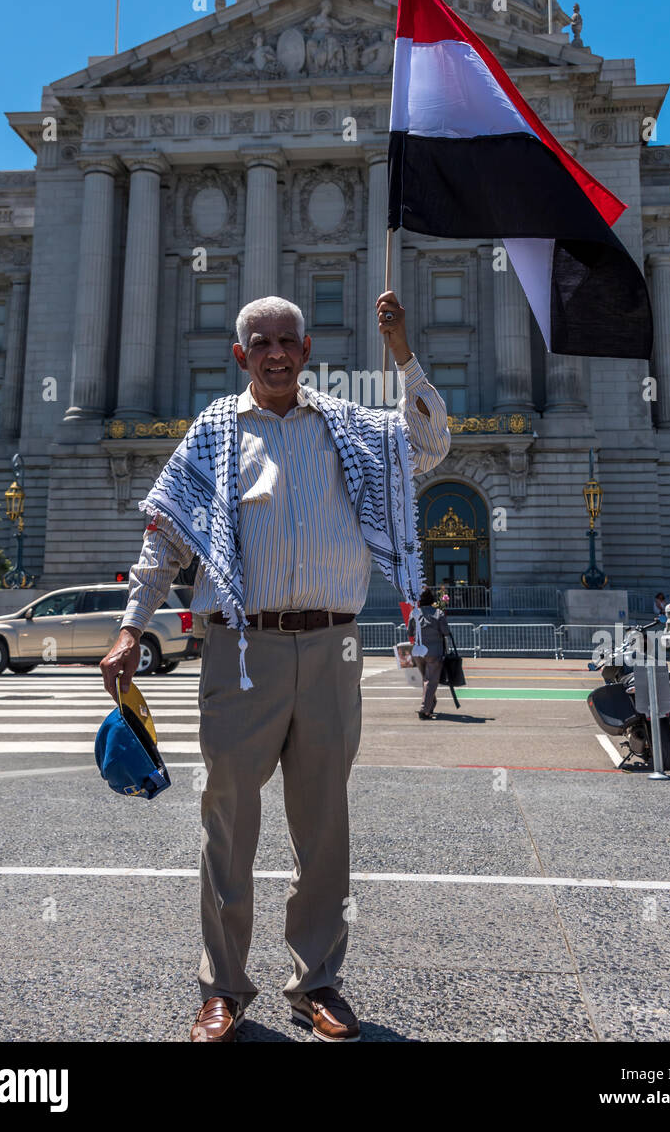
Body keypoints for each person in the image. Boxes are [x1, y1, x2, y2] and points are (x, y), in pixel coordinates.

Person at [100, 290, 449, 1042]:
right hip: (240, 648)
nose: (276, 353)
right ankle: (222, 987)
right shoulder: (214, 434)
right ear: (241, 356)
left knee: (323, 824)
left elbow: (429, 445)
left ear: (307, 349)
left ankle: (316, 982)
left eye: (287, 341)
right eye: (261, 343)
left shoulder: (349, 427)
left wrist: (401, 351)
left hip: (332, 646)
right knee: (226, 820)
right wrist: (133, 627)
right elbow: (164, 540)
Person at [410, 589, 449, 720]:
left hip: (418, 651)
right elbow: (446, 632)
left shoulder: (414, 613)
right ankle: (425, 709)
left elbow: (409, 632)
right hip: (434, 651)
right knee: (431, 681)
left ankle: (430, 704)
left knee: (426, 680)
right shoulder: (438, 613)